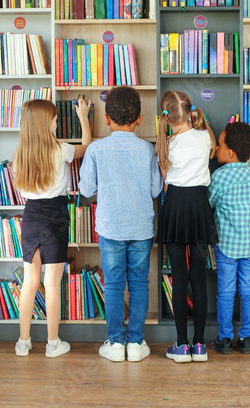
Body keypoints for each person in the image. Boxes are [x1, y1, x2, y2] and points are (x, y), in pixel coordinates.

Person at [79, 86, 162, 362]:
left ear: (106, 118)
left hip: (111, 227)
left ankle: (115, 344)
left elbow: (87, 188)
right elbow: (155, 190)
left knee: (113, 285)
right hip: (140, 228)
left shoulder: (96, 149)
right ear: (139, 119)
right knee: (139, 284)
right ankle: (136, 343)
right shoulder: (147, 150)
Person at [13, 98, 92, 357]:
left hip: (30, 215)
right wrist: (82, 116)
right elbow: (86, 148)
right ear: (46, 123)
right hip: (54, 215)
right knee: (52, 282)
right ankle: (53, 343)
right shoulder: (60, 149)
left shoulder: (19, 154)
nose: (58, 123)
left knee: (30, 282)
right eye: (56, 119)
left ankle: (23, 342)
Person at [156, 90, 218, 363]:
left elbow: (165, 181)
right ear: (189, 111)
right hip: (199, 205)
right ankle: (200, 345)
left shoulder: (166, 144)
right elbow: (208, 150)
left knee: (179, 278)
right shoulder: (206, 137)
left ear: (167, 118)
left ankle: (181, 346)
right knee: (199, 279)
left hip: (175, 205)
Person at [209, 121, 250, 355]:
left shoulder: (220, 177)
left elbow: (209, 203)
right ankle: (247, 339)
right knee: (248, 290)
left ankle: (225, 339)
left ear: (229, 152)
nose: (216, 149)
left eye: (218, 145)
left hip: (227, 247)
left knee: (226, 292)